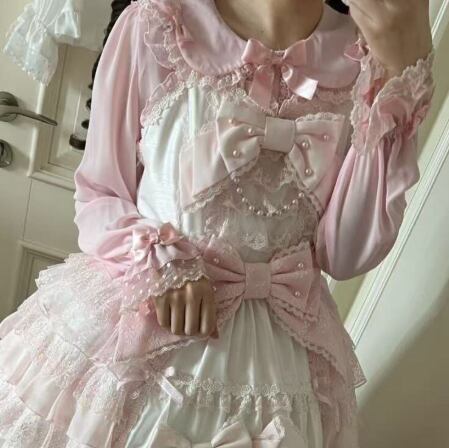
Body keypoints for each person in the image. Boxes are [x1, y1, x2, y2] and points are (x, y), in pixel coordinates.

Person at [0, 0, 434, 447]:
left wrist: (397, 80)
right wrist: (160, 262)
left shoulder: (364, 60)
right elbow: (100, 192)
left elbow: (344, 254)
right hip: (140, 328)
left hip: (282, 372)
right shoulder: (161, 24)